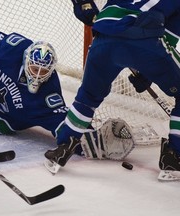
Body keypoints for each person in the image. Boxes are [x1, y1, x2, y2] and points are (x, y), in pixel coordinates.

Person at [45, 0, 180, 180]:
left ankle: (63, 147)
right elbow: (168, 36)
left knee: (88, 96)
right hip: (144, 39)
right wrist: (148, 72)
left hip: (104, 36)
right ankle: (174, 156)